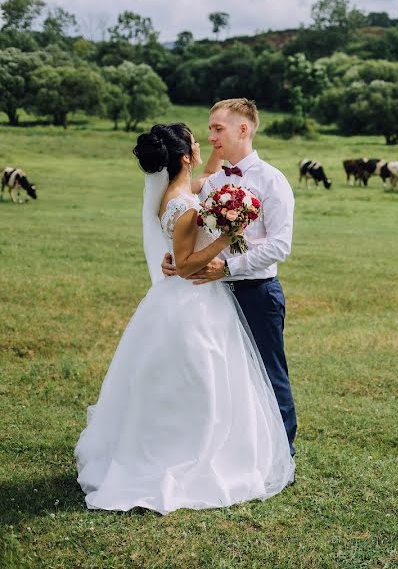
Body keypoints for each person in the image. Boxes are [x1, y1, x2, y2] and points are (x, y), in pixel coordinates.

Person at [74, 123, 294, 515]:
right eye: (196, 142)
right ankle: (193, 452)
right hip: (194, 300)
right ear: (183, 157)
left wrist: (215, 156)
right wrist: (229, 236)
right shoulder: (185, 205)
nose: (203, 145)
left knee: (182, 376)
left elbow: (206, 175)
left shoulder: (177, 192)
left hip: (176, 300)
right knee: (203, 375)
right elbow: (188, 266)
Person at [161, 99, 298, 456]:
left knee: (270, 374)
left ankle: (283, 454)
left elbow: (280, 246)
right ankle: (237, 450)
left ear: (244, 129)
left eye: (218, 129)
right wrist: (176, 259)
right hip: (215, 297)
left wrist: (229, 268)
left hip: (257, 292)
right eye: (209, 130)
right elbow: (198, 234)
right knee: (229, 376)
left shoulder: (272, 180)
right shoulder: (213, 184)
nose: (210, 137)